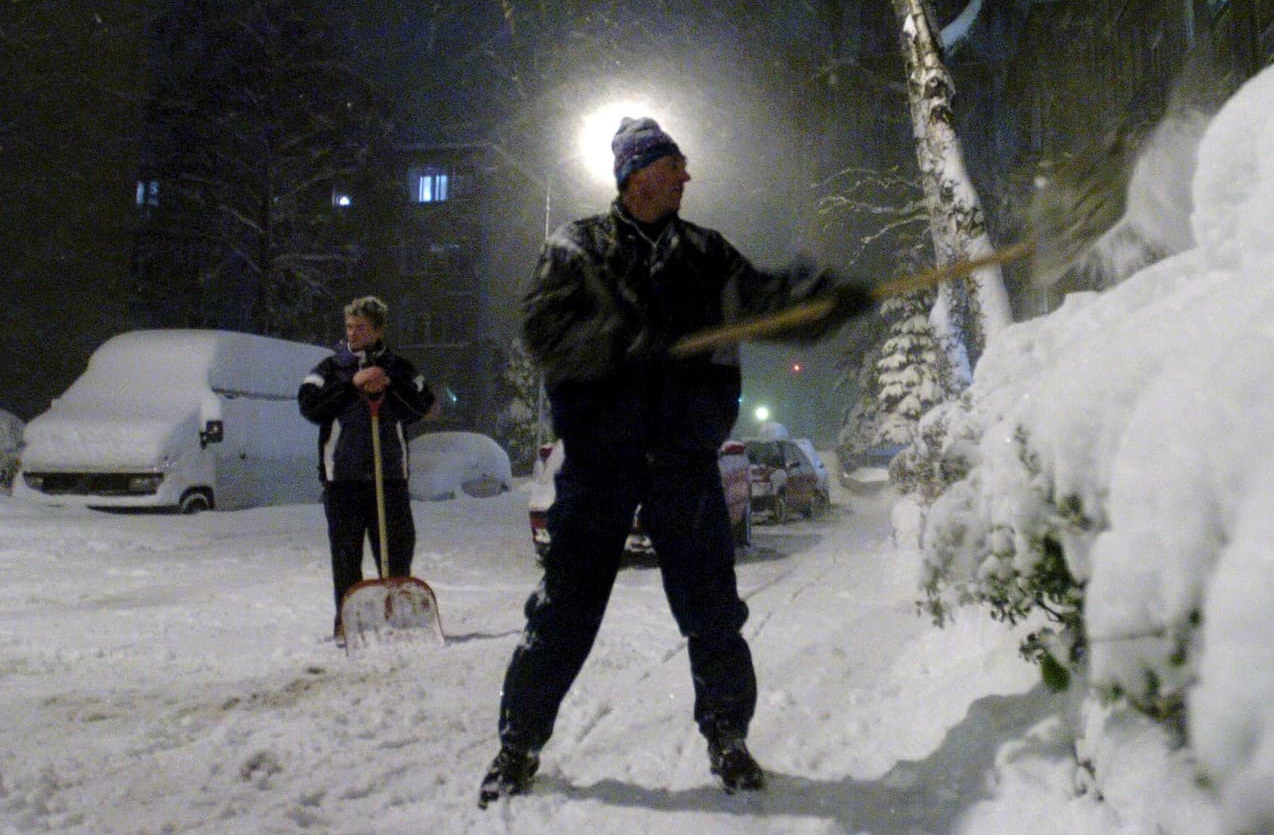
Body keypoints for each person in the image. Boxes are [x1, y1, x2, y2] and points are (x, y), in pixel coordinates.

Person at [478, 117, 873, 805]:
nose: (688, 176)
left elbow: (767, 302)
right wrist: (628, 340)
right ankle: (518, 745)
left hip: (684, 462)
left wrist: (824, 303)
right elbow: (545, 333)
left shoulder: (706, 254)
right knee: (563, 613)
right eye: (675, 164)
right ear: (640, 174)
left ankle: (728, 735)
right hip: (600, 465)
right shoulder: (575, 249)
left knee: (713, 613)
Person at [297, 296, 436, 640]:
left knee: (396, 552)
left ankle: (397, 618)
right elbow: (311, 408)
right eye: (349, 326)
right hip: (342, 481)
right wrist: (352, 384)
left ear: (377, 330)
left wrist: (389, 385)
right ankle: (348, 624)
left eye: (361, 327)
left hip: (389, 479)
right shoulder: (329, 369)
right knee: (346, 557)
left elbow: (420, 407)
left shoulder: (400, 368)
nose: (353, 333)